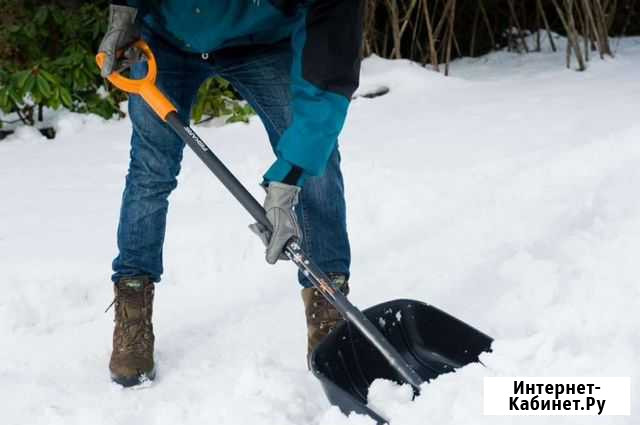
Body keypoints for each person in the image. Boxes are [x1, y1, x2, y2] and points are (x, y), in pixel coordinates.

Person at [99, 0, 364, 387]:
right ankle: (133, 305)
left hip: (262, 41)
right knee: (150, 171)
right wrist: (126, 12)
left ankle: (329, 303)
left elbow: (326, 74)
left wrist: (290, 174)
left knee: (317, 167)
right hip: (167, 41)